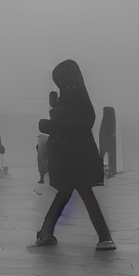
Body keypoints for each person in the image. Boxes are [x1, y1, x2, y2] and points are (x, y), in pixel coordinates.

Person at [32, 59, 113, 250]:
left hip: (71, 156)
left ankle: (104, 237)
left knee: (75, 194)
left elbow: (65, 123)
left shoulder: (70, 96)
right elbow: (82, 120)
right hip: (81, 154)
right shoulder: (80, 94)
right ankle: (47, 232)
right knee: (72, 194)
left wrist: (45, 124)